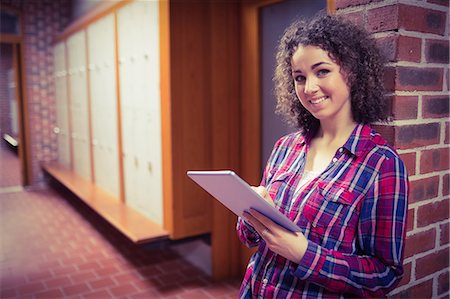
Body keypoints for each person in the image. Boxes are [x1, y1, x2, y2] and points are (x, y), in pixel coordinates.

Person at [237, 12, 409, 298]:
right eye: (299, 77)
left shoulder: (381, 164)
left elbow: (384, 275)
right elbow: (249, 239)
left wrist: (304, 254)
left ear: (351, 72)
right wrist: (251, 213)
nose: (309, 88)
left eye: (322, 71)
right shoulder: (285, 148)